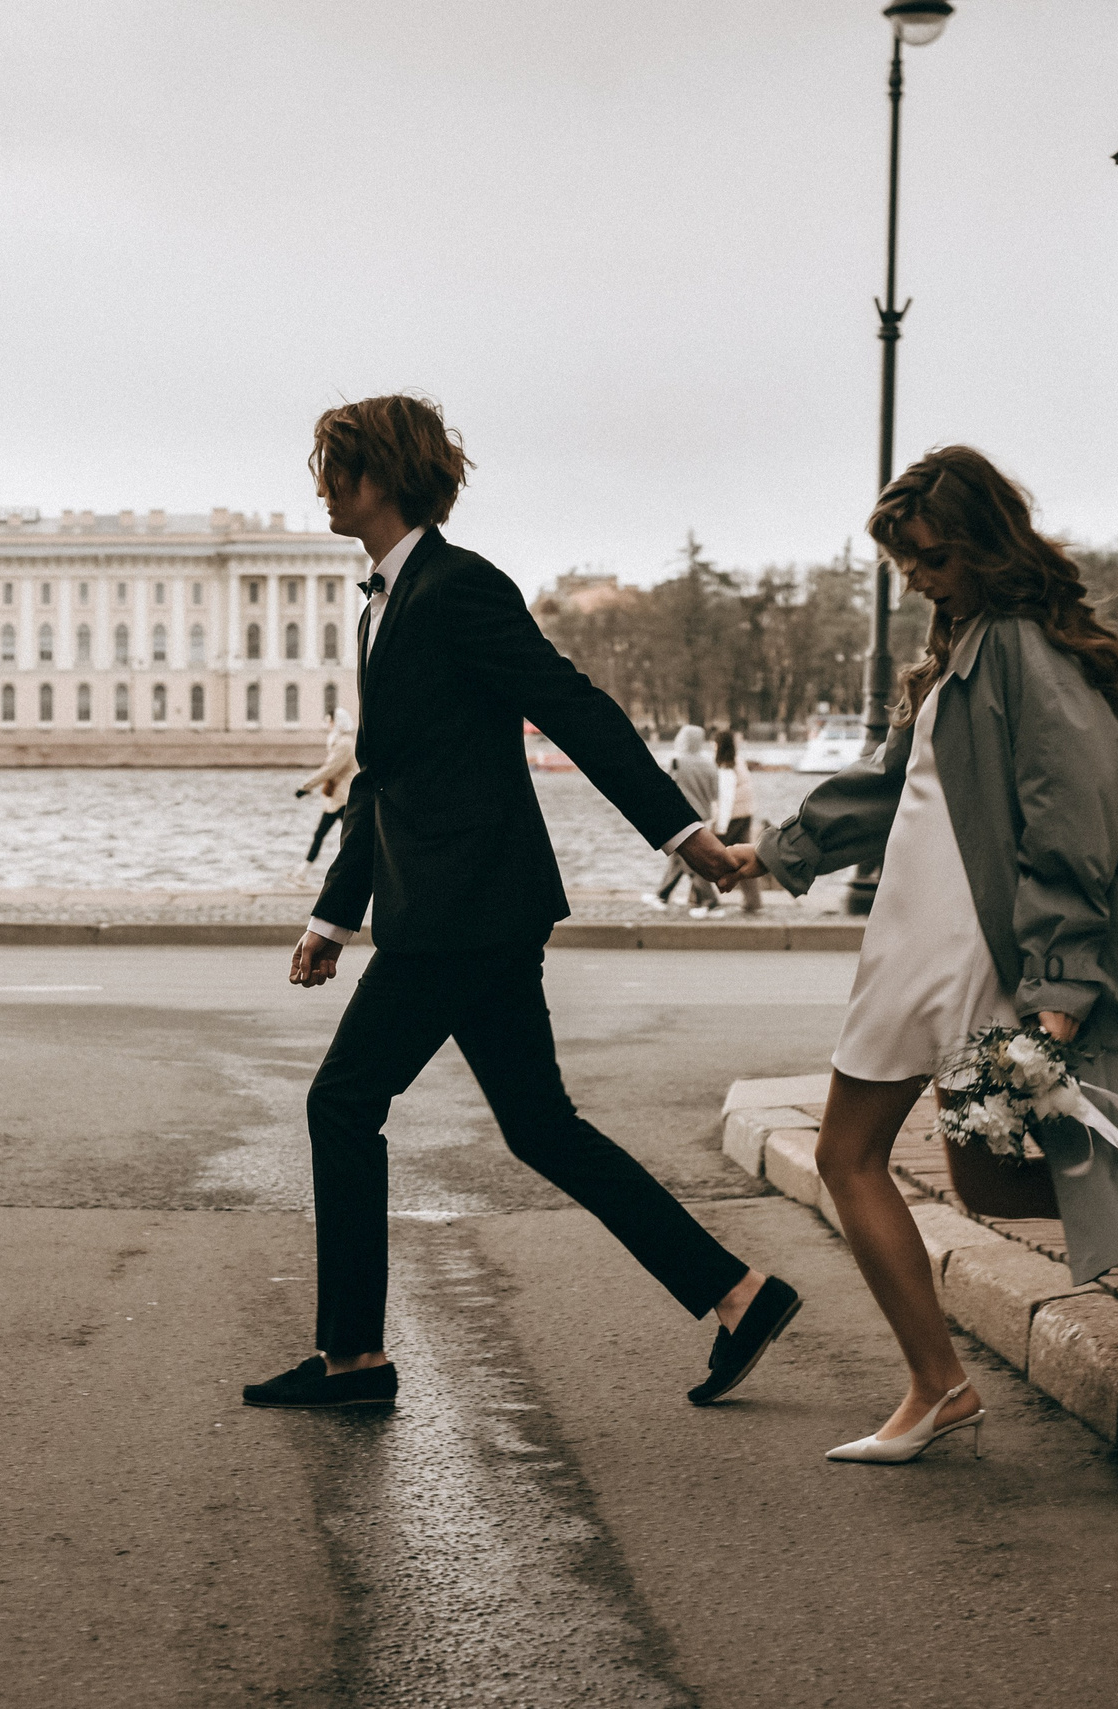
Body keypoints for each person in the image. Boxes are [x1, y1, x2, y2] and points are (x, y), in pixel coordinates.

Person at [726, 445, 1118, 1464]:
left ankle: (938, 1387)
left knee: (848, 1153)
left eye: (926, 555)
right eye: (903, 560)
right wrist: (772, 851)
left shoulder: (1020, 648)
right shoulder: (969, 640)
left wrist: (1057, 984)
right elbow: (896, 792)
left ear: (977, 542)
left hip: (953, 941)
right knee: (987, 1180)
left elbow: (1071, 818)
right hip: (920, 931)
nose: (914, 576)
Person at [242, 394, 798, 1412]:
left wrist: (683, 835)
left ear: (376, 479)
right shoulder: (382, 605)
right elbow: (381, 777)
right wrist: (331, 918)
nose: (318, 483)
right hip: (465, 904)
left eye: (331, 466)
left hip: (460, 909)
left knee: (342, 1101)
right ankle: (737, 1292)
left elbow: (571, 704)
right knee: (540, 1125)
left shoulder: (458, 587)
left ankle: (354, 1360)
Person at [644, 726, 721, 911]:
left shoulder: (677, 761)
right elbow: (714, 794)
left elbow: (665, 789)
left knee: (688, 860)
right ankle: (662, 895)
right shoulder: (709, 764)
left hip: (680, 817)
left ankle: (711, 902)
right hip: (701, 817)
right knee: (679, 858)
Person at [699, 729, 761, 916]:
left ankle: (704, 898)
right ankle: (753, 901)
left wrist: (719, 826)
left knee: (702, 855)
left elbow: (725, 800)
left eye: (714, 743)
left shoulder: (725, 767)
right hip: (745, 815)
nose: (712, 746)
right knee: (745, 859)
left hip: (731, 818)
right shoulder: (738, 761)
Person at [295, 705, 358, 876]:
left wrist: (305, 786)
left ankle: (304, 872)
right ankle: (302, 872)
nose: (328, 724)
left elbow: (330, 769)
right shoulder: (339, 741)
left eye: (330, 721)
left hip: (343, 798)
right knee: (326, 835)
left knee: (349, 840)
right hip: (336, 799)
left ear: (337, 722)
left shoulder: (344, 744)